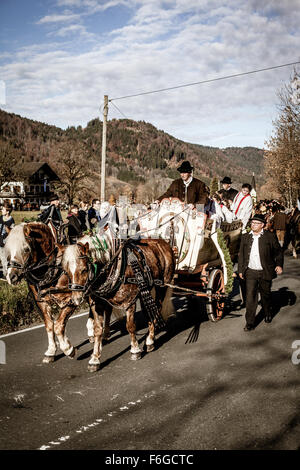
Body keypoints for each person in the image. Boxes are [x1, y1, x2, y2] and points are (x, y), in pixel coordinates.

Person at [238, 213, 283, 331]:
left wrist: (278, 265)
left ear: (262, 225)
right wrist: (241, 270)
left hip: (265, 271)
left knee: (265, 295)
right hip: (251, 272)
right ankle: (250, 322)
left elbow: (278, 252)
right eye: (252, 223)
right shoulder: (245, 237)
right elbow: (241, 255)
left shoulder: (270, 236)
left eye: (256, 223)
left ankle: (267, 312)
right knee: (250, 297)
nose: (253, 225)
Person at [0, 204, 15, 277]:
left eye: (3, 209)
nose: (1, 210)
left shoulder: (11, 220)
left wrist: (7, 229)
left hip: (5, 243)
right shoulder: (0, 218)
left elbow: (11, 232)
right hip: (0, 241)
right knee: (2, 258)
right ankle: (4, 272)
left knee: (5, 259)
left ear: (7, 211)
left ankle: (6, 274)